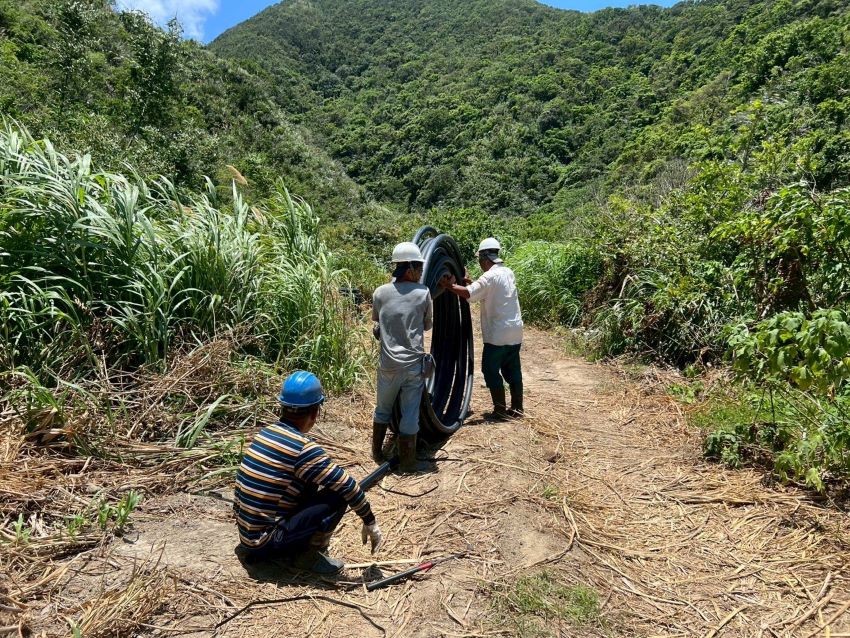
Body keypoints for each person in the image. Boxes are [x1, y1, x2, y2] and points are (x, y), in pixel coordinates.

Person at [233, 370, 383, 575]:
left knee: (312, 480)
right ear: (315, 413)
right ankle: (308, 556)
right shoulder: (302, 448)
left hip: (246, 536)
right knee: (338, 494)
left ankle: (294, 543)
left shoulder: (265, 434)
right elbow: (349, 486)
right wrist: (370, 521)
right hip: (264, 543)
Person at [439, 237, 524, 419]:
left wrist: (449, 285)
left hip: (498, 333)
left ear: (485, 258)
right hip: (515, 330)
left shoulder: (489, 276)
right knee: (513, 369)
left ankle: (500, 410)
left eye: (480, 260)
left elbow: (470, 294)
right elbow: (485, 290)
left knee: (490, 369)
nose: (480, 264)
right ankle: (517, 408)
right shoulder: (508, 272)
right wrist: (470, 282)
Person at [371, 241, 433, 473]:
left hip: (387, 364)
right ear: (409, 269)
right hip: (412, 367)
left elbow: (378, 326)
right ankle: (408, 462)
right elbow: (426, 326)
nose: (420, 273)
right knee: (410, 413)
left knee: (382, 409)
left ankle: (376, 452)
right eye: (419, 269)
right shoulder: (423, 293)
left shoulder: (379, 292)